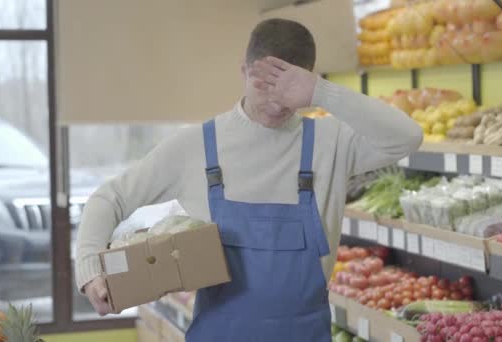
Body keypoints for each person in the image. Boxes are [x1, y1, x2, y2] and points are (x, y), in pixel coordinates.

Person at [75, 18, 423, 341]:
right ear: (243, 71)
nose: (276, 103)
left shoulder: (331, 143)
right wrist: (90, 268)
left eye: (288, 90)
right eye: (265, 85)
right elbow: (110, 198)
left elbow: (407, 138)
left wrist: (322, 93)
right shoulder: (197, 145)